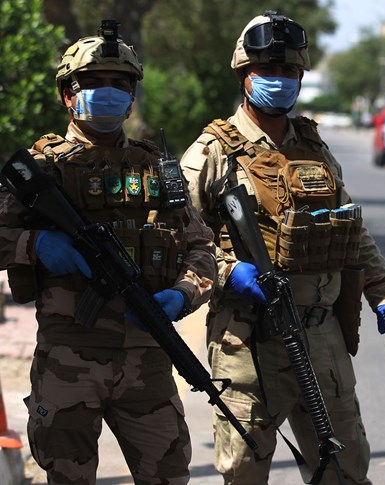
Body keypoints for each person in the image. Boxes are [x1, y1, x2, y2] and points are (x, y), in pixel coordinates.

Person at [179, 10, 385, 485]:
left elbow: (351, 229)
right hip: (249, 339)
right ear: (245, 76)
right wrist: (226, 272)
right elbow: (180, 238)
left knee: (345, 469)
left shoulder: (315, 147)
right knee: (243, 471)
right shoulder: (212, 152)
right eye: (268, 71)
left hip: (322, 337)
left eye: (289, 72)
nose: (279, 80)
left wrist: (382, 291)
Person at [0, 20, 217, 484]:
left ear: (133, 95)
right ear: (67, 95)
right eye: (93, 84)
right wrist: (35, 243)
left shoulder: (156, 170)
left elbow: (202, 248)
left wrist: (182, 294)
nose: (108, 93)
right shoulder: (41, 169)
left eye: (119, 84)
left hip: (149, 361)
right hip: (68, 360)